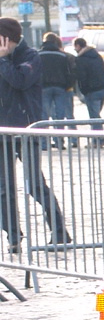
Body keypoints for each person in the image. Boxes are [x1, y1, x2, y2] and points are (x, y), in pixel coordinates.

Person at [0, 17, 70, 253]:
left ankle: (60, 232)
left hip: (26, 130)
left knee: (34, 184)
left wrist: (3, 60)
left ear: (6, 39)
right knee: (3, 187)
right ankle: (13, 236)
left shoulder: (31, 56)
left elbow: (20, 81)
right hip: (3, 132)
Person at [38, 32, 75, 147]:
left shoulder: (38, 55)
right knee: (59, 115)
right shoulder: (63, 56)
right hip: (60, 87)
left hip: (44, 87)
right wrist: (67, 85)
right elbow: (69, 73)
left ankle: (44, 143)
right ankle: (59, 142)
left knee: (44, 116)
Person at [72, 36, 104, 137]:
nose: (75, 49)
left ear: (78, 46)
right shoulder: (97, 56)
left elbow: (82, 76)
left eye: (75, 47)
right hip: (102, 88)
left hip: (91, 91)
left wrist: (83, 90)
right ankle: (98, 138)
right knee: (96, 114)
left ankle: (98, 139)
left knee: (94, 116)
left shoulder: (81, 59)